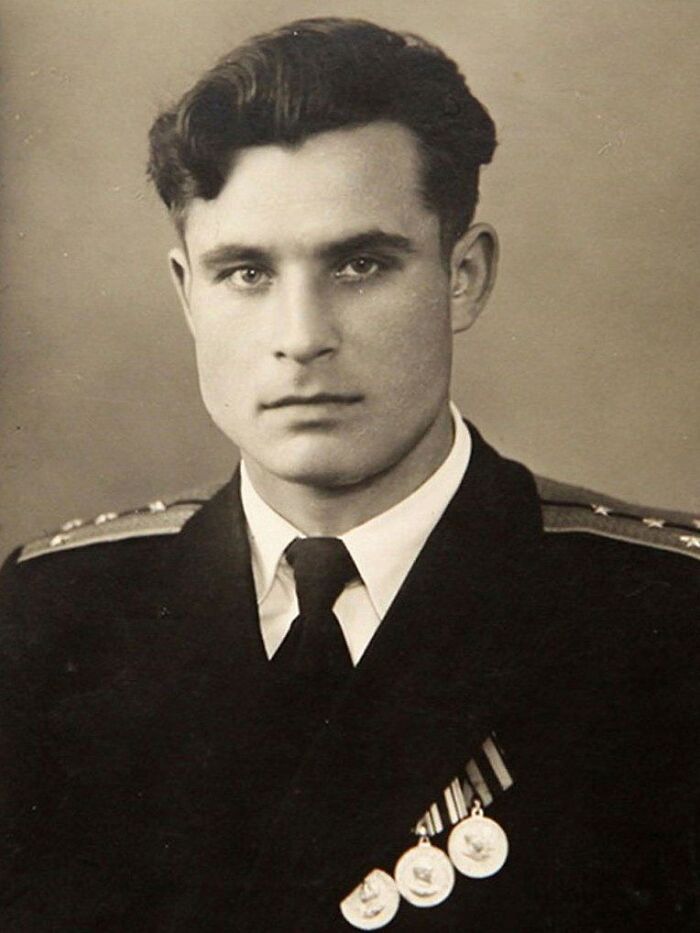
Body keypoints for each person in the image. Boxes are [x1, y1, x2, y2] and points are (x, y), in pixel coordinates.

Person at [0, 17, 698, 933]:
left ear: (464, 275)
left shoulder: (665, 621)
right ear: (185, 294)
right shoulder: (45, 623)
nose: (301, 334)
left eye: (361, 263)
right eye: (245, 272)